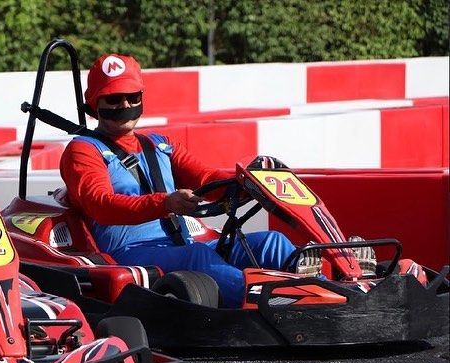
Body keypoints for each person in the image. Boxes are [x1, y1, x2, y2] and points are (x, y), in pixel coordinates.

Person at [59, 53, 320, 308]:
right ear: (95, 103)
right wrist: (166, 203)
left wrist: (249, 183)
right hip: (129, 252)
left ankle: (325, 293)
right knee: (198, 256)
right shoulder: (82, 150)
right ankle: (278, 302)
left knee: (271, 242)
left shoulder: (159, 144)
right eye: (114, 99)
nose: (125, 105)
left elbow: (207, 179)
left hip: (183, 244)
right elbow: (100, 205)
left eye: (132, 96)